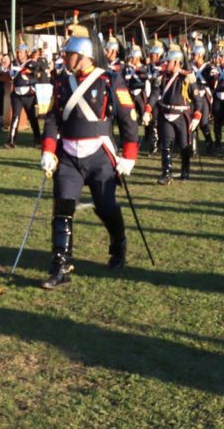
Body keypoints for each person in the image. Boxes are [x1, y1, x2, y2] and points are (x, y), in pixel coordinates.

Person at [39, 22, 138, 289]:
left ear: (84, 56)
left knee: (106, 208)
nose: (64, 58)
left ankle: (118, 244)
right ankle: (60, 265)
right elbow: (52, 119)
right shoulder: (61, 82)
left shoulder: (110, 80)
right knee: (62, 209)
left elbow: (128, 119)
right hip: (68, 155)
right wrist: (48, 150)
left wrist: (129, 155)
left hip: (99, 155)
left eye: (69, 54)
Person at [145, 43, 204, 183]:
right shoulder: (162, 77)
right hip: (165, 113)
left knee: (184, 145)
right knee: (166, 144)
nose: (166, 63)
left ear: (177, 62)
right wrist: (147, 109)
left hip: (182, 116)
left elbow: (197, 98)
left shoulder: (187, 77)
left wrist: (197, 115)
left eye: (169, 61)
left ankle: (185, 171)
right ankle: (166, 173)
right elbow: (154, 94)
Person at [5, 42, 41, 148]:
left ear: (26, 53)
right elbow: (10, 75)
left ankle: (37, 139)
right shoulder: (14, 63)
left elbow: (30, 72)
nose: (19, 54)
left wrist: (20, 69)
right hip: (17, 94)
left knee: (32, 118)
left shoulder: (32, 63)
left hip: (29, 95)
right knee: (15, 117)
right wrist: (11, 71)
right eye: (17, 52)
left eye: (21, 52)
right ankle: (11, 140)